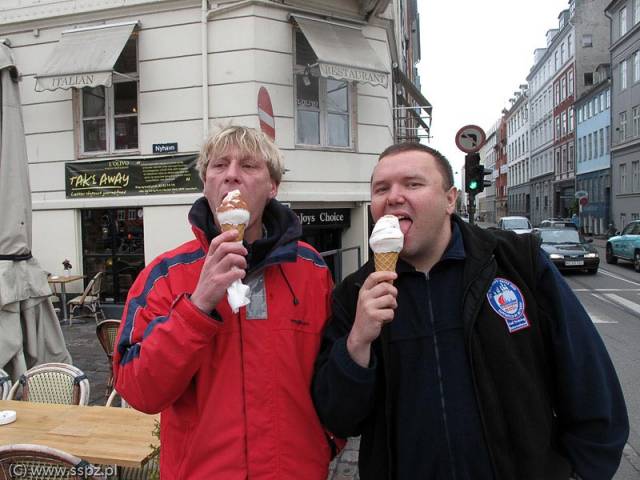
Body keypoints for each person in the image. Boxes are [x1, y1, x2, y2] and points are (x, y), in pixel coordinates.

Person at [312, 143, 629, 480]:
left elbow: (590, 380)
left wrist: (581, 472)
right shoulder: (354, 294)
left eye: (413, 184)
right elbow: (339, 419)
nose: (393, 197)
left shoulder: (516, 263)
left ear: (450, 200)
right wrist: (357, 343)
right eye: (381, 189)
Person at [113, 126, 338, 479]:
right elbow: (139, 391)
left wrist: (325, 443)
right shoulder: (165, 275)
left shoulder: (311, 270)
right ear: (206, 184)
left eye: (248, 165)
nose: (231, 175)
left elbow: (332, 374)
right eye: (219, 165)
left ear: (272, 186)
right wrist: (197, 305)